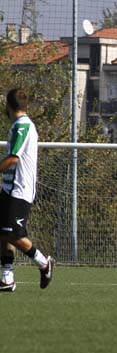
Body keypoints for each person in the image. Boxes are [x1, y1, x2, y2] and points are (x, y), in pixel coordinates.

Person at [0, 88, 54, 292]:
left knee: (13, 234)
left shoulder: (22, 126)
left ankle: (44, 263)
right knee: (3, 233)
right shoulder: (19, 125)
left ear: (9, 105)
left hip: (19, 190)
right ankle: (7, 278)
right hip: (9, 188)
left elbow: (13, 157)